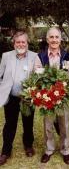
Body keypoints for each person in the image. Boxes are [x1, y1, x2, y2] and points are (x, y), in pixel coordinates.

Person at [34, 27, 69, 165]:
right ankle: (49, 150)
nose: (54, 40)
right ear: (47, 40)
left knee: (64, 125)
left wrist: (62, 91)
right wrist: (46, 94)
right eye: (51, 37)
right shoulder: (40, 57)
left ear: (60, 39)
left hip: (62, 97)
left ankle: (65, 150)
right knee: (48, 125)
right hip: (47, 98)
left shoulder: (67, 56)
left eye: (57, 37)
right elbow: (38, 78)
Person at [0, 30, 37, 166]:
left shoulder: (34, 57)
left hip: (28, 97)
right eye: (18, 42)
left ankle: (28, 145)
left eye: (23, 41)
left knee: (28, 122)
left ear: (27, 43)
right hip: (11, 97)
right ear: (14, 43)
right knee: (10, 124)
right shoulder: (6, 56)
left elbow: (38, 76)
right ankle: (5, 151)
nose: (20, 44)